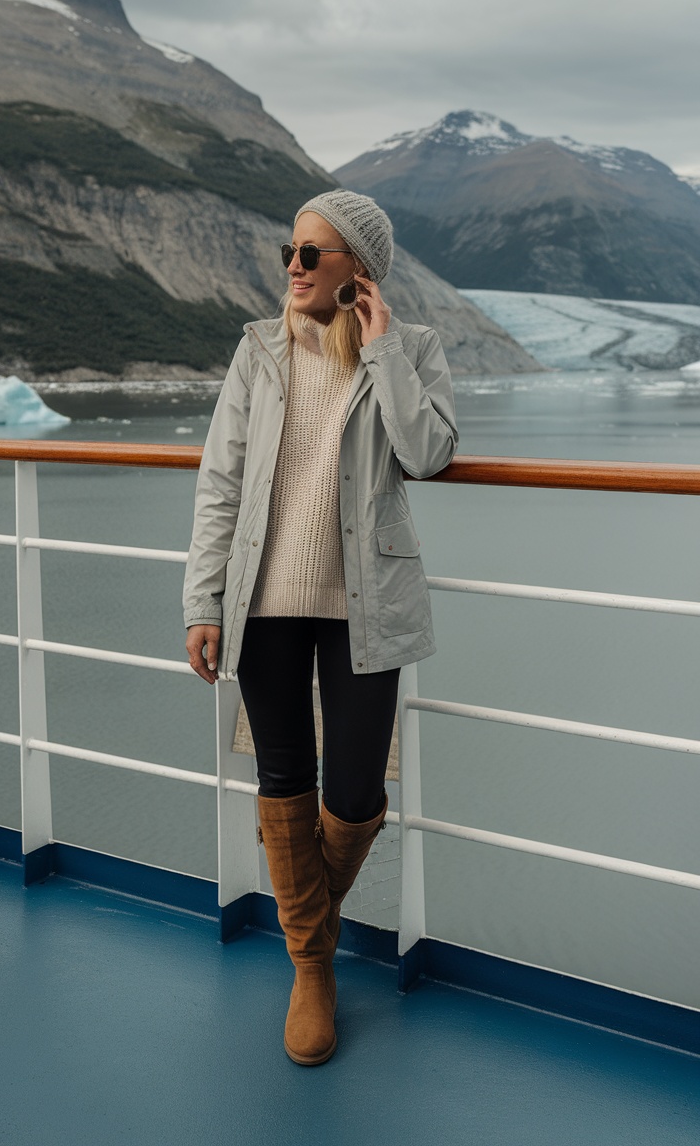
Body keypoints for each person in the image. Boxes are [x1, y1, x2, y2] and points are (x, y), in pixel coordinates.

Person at [183, 189, 458, 1065]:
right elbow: (220, 483)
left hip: (364, 603)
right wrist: (202, 600)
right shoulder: (257, 350)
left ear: (357, 271)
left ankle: (311, 922)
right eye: (290, 252)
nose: (294, 268)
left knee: (352, 796)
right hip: (262, 598)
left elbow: (429, 451)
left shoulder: (411, 349)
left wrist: (380, 354)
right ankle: (313, 967)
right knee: (282, 780)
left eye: (314, 254)